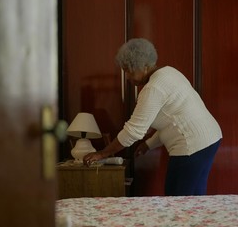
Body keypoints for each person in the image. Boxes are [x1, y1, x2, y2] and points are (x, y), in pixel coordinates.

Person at [83, 38, 222, 196]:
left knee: (177, 200)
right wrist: (149, 144)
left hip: (192, 145)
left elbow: (134, 131)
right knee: (193, 198)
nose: (127, 77)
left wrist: (103, 153)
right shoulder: (169, 72)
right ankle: (197, 221)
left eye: (129, 70)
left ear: (144, 66)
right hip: (209, 139)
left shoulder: (153, 88)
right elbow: (171, 122)